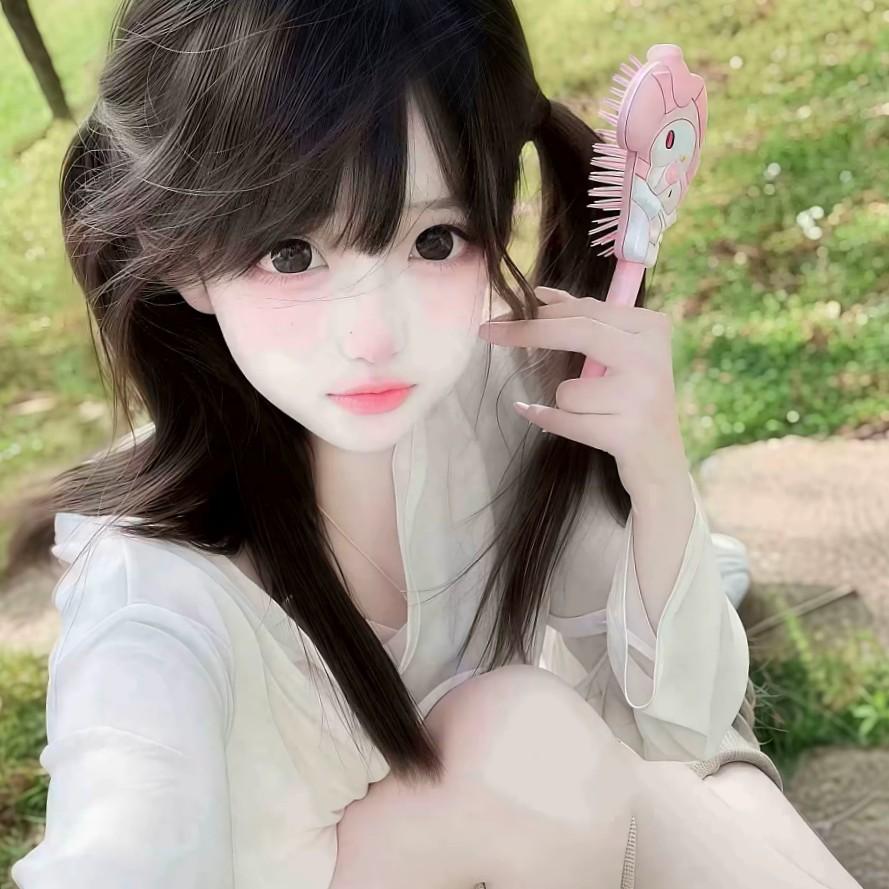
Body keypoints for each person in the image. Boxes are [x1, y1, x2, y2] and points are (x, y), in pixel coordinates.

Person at [3, 1, 862, 887]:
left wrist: (654, 475)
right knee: (542, 744)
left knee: (714, 784)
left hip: (538, 830)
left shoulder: (494, 396)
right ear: (178, 253)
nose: (375, 335)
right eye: (291, 254)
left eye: (434, 240)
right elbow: (122, 840)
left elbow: (684, 726)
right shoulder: (151, 598)